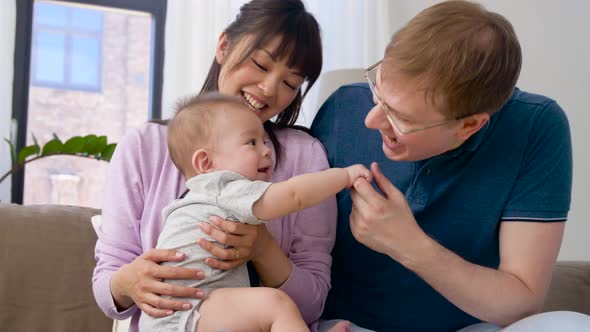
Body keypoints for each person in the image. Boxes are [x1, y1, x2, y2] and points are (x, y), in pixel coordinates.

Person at [311, 1, 590, 331]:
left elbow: (522, 303)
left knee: (572, 325)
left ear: (469, 126)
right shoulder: (343, 106)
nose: (371, 121)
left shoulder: (537, 127)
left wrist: (408, 244)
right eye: (377, 91)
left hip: (466, 327)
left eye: (400, 117)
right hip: (346, 326)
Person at [93, 1, 350, 331]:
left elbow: (312, 303)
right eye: (260, 64)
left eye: (290, 83)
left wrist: (261, 248)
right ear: (224, 45)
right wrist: (129, 282)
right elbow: (107, 289)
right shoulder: (145, 146)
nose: (270, 89)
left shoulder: (305, 157)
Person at [138, 93, 371, 332]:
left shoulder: (197, 199)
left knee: (263, 312)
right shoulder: (222, 186)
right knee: (275, 304)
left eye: (265, 141)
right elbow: (293, 195)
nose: (267, 150)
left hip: (191, 312)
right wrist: (344, 176)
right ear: (206, 163)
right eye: (252, 142)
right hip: (184, 315)